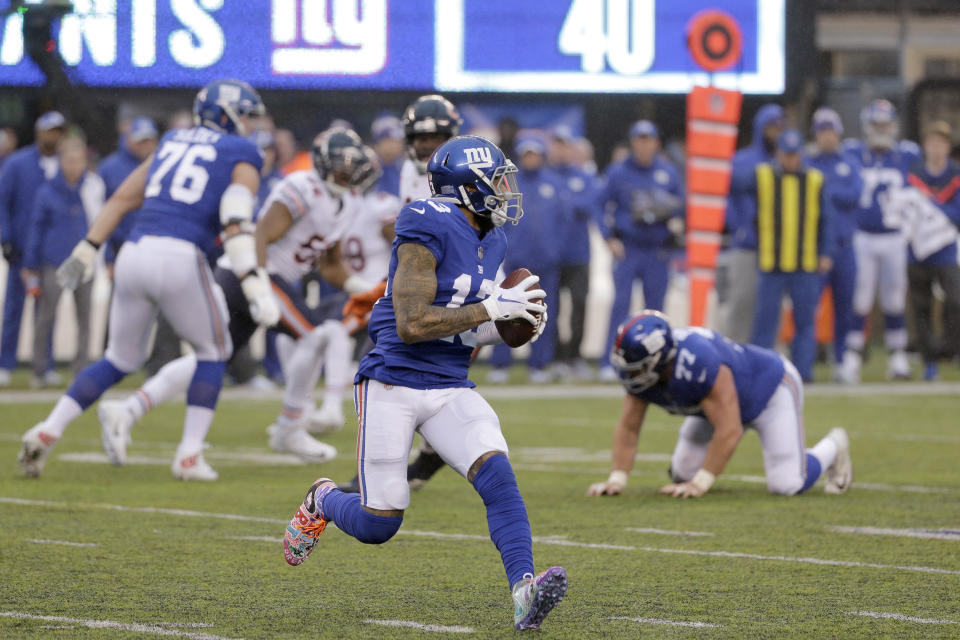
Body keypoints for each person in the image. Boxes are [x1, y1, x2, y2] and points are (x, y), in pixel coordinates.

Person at [281, 135, 566, 630]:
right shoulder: (424, 221)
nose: (505, 189)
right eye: (496, 180)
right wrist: (492, 308)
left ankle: (524, 589)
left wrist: (506, 326)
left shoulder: (493, 234)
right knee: (378, 524)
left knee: (499, 477)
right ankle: (323, 499)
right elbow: (413, 323)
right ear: (467, 187)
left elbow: (468, 322)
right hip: (393, 381)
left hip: (450, 382)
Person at [18, 79, 278, 481]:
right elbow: (235, 218)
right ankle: (189, 455)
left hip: (135, 254)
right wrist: (253, 280)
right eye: (244, 115)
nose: (247, 125)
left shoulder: (172, 141)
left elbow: (121, 198)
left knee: (120, 358)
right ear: (227, 114)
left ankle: (48, 429)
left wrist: (88, 248)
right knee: (214, 351)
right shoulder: (241, 150)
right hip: (179, 256)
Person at [97, 128, 380, 468]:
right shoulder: (303, 186)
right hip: (252, 273)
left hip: (258, 278)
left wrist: (367, 288)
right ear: (323, 163)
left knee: (214, 357)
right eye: (342, 165)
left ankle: (128, 409)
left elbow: (332, 267)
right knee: (319, 334)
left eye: (353, 166)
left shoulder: (347, 203)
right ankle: (290, 425)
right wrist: (256, 284)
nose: (348, 173)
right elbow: (259, 234)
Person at [587, 311, 852, 499]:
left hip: (769, 391)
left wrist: (701, 484)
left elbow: (730, 430)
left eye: (638, 368)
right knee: (682, 474)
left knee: (787, 484)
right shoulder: (648, 375)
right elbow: (629, 428)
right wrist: (616, 480)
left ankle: (834, 446)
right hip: (710, 407)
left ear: (660, 359)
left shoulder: (698, 361)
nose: (630, 375)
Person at [839, 99, 920, 382]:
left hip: (895, 237)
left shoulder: (907, 155)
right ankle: (852, 356)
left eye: (885, 125)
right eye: (877, 125)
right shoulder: (852, 153)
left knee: (894, 299)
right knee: (860, 299)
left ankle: (897, 356)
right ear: (867, 127)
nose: (882, 130)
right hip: (863, 236)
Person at [597, 120, 683, 381]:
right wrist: (609, 237)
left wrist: (674, 222)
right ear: (633, 142)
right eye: (640, 139)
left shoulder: (668, 172)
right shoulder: (618, 172)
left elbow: (682, 207)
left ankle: (656, 362)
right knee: (620, 305)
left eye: (649, 139)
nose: (644, 145)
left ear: (656, 142)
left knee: (656, 310)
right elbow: (599, 205)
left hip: (657, 249)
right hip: (629, 247)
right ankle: (610, 362)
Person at [748, 130, 835, 383]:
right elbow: (739, 200)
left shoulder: (815, 180)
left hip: (805, 262)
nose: (791, 160)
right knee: (765, 321)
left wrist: (826, 251)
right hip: (771, 262)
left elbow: (827, 220)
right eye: (786, 154)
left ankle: (802, 372)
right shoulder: (762, 176)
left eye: (794, 155)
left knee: (805, 321)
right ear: (778, 153)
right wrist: (748, 233)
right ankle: (759, 371)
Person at [22, 136, 105, 386]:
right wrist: (30, 264)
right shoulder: (47, 191)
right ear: (61, 161)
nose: (74, 166)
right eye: (69, 160)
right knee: (46, 317)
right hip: (54, 261)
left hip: (84, 260)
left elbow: (101, 221)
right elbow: (36, 228)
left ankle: (81, 370)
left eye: (79, 160)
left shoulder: (92, 187)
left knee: (85, 319)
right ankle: (40, 369)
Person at [489, 133, 566, 383]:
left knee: (542, 313)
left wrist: (555, 249)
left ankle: (540, 365)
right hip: (514, 259)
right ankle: (500, 364)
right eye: (527, 154)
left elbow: (563, 222)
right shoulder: (508, 184)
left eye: (535, 154)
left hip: (546, 261)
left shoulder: (554, 183)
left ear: (542, 156)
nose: (531, 159)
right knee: (505, 310)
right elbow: (496, 221)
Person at [0, 111, 66, 387]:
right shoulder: (17, 164)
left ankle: (44, 364)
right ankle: (5, 363)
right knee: (14, 308)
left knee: (47, 311)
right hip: (22, 248)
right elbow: (2, 202)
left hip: (51, 252)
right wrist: (5, 238)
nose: (54, 136)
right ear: (39, 132)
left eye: (58, 131)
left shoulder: (66, 164)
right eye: (50, 130)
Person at [897, 120, 960, 380]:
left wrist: (932, 207)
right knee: (920, 306)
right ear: (925, 147)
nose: (936, 149)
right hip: (918, 251)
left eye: (941, 144)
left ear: (947, 147)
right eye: (932, 143)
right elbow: (902, 208)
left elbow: (956, 214)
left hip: (945, 250)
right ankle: (929, 360)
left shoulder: (954, 176)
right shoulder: (914, 174)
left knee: (955, 301)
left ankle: (949, 348)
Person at [716, 104, 784, 344]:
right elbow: (726, 196)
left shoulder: (787, 159)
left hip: (778, 247)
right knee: (742, 299)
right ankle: (732, 350)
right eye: (771, 127)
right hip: (748, 243)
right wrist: (738, 226)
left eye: (779, 127)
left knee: (772, 305)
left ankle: (770, 354)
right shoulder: (743, 160)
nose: (775, 132)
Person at [805, 108, 862, 376]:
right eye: (822, 131)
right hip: (814, 248)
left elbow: (855, 195)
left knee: (845, 306)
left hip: (845, 245)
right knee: (809, 306)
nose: (827, 137)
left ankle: (841, 360)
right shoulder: (807, 162)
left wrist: (825, 190)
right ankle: (808, 359)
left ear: (838, 134)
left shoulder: (849, 162)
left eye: (831, 131)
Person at [549, 127, 598, 381]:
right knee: (551, 309)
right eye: (556, 145)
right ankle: (557, 357)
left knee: (580, 304)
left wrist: (563, 201)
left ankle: (575, 356)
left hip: (579, 254)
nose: (560, 150)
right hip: (552, 256)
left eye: (564, 145)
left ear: (572, 149)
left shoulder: (584, 177)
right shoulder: (545, 177)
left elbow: (590, 204)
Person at [398, 94, 462, 204]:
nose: (428, 145)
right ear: (410, 141)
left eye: (436, 138)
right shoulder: (408, 169)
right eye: (423, 139)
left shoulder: (464, 173)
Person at [369, 114, 405, 197]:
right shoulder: (368, 172)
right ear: (377, 144)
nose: (395, 144)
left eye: (398, 140)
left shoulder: (407, 167)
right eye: (390, 140)